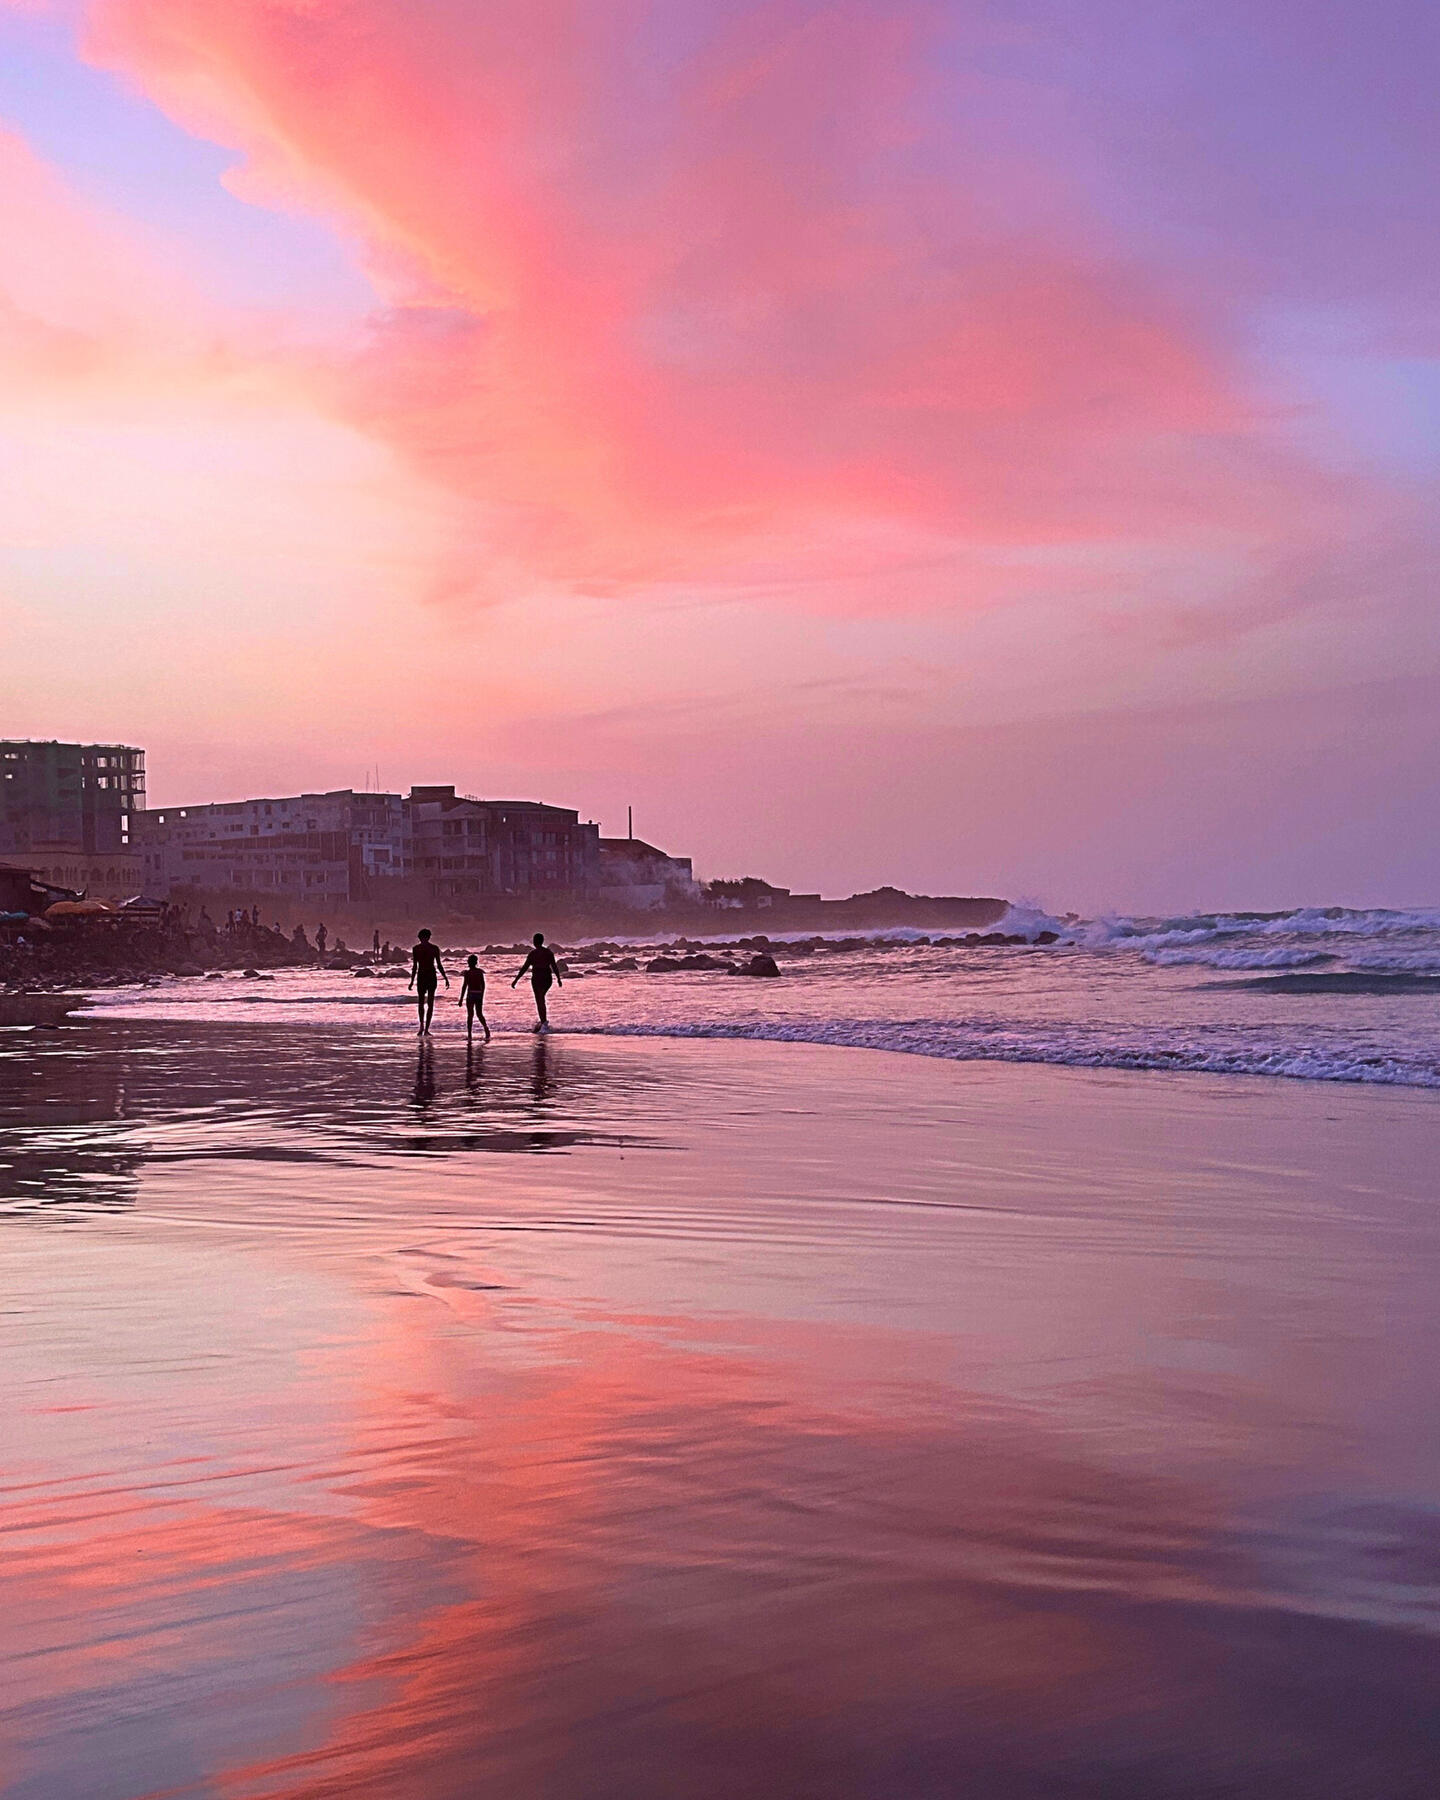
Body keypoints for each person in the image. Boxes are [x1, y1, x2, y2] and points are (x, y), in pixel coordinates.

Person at [512, 932, 562, 1031]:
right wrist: (558, 979)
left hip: (537, 978)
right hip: (547, 978)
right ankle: (543, 1022)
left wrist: (516, 980)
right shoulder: (548, 952)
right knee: (541, 998)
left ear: (535, 942)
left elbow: (524, 968)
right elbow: (554, 966)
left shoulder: (533, 954)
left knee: (539, 999)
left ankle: (544, 1023)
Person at [408, 928, 448, 1034]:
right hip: (428, 976)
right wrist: (445, 978)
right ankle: (424, 1028)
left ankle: (424, 1028)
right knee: (426, 1003)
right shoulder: (433, 948)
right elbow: (416, 966)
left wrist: (445, 977)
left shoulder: (417, 949)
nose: (423, 939)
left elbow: (415, 967)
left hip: (424, 976)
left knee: (425, 1003)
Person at [457, 954, 490, 1042]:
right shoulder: (479, 972)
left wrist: (461, 999)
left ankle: (470, 1034)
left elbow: (464, 986)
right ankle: (485, 1028)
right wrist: (482, 995)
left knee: (470, 1015)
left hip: (471, 994)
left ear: (470, 963)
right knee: (479, 1014)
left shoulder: (467, 973)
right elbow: (483, 985)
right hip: (478, 994)